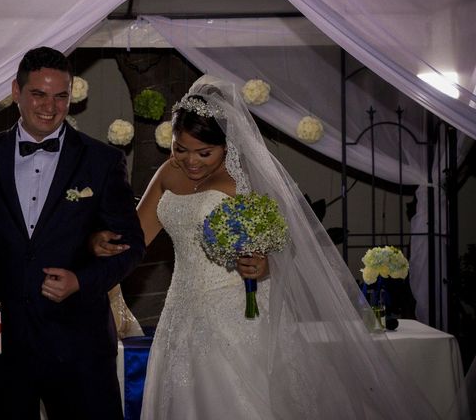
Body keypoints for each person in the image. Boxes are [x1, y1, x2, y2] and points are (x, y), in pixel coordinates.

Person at [91, 75, 446, 419]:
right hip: (180, 311)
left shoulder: (241, 183)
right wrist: (100, 243)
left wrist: (264, 266)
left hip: (236, 311)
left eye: (205, 152)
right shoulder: (169, 173)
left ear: (227, 146)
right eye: (180, 149)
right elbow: (133, 238)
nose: (191, 161)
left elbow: (280, 248)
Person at [0, 46, 145, 420]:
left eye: (60, 96)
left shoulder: (101, 160)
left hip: (79, 344)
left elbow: (130, 246)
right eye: (38, 94)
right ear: (16, 92)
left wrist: (81, 280)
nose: (50, 106)